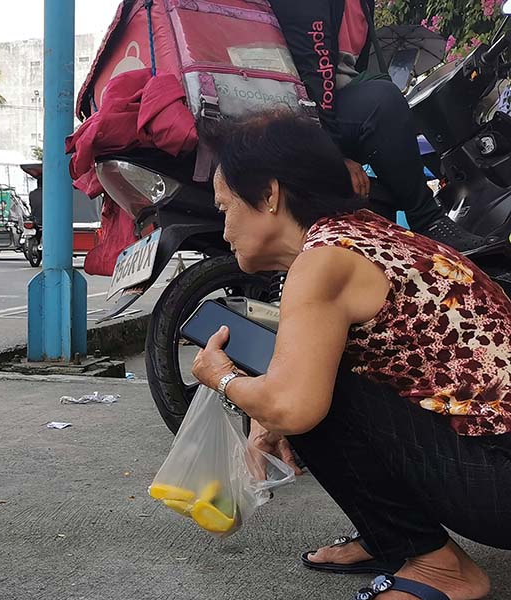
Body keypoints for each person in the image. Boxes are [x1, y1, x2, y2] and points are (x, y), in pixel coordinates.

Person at [191, 111, 510, 600]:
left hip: (500, 484)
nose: (225, 228)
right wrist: (269, 414)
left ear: (270, 195)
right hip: (494, 464)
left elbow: (295, 405)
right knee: (310, 374)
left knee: (308, 396)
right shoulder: (370, 234)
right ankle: (393, 539)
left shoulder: (326, 260)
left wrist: (224, 377)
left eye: (225, 207)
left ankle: (439, 567)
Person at [268, 0, 490, 252]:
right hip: (297, 109)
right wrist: (331, 155)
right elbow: (313, 74)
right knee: (383, 101)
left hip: (329, 106)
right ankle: (426, 218)